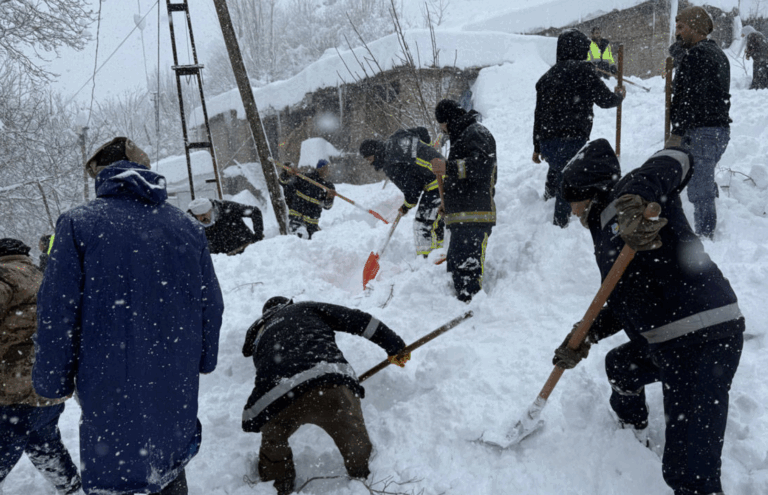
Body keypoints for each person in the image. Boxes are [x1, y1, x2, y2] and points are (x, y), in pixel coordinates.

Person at [32, 137, 225, 495]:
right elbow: (211, 305)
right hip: (174, 377)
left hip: (109, 378)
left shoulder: (77, 225)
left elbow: (56, 313)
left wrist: (52, 380)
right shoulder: (187, 227)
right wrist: (204, 358)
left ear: (101, 175)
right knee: (168, 462)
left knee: (118, 468)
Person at [554, 138, 744, 495]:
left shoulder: (632, 193)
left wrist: (637, 196)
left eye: (573, 200)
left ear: (588, 191)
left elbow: (679, 155)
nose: (573, 210)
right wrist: (586, 333)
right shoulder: (604, 232)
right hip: (667, 342)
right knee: (620, 367)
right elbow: (626, 300)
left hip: (701, 337)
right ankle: (633, 431)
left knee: (688, 473)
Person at [241, 297, 409, 495]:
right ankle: (365, 477)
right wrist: (395, 345)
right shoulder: (304, 308)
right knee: (353, 438)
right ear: (288, 304)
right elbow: (357, 320)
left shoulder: (260, 336)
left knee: (274, 441)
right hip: (326, 379)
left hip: (275, 397)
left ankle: (276, 484)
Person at [0, 238, 82, 495]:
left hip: (13, 390)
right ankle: (70, 487)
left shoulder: (4, 275)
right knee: (44, 444)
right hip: (48, 385)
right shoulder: (42, 275)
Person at [532, 29, 625, 227]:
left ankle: (547, 198)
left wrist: (537, 147)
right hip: (572, 138)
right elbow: (605, 100)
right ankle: (560, 224)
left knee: (557, 165)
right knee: (568, 179)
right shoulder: (584, 72)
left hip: (547, 141)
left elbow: (538, 115)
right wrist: (619, 96)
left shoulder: (546, 78)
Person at [667, 6, 731, 239]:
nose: (677, 32)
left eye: (681, 27)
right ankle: (710, 228)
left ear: (695, 28)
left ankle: (705, 238)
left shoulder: (697, 56)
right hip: (717, 130)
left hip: (702, 131)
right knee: (702, 179)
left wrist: (677, 132)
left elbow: (688, 98)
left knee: (700, 189)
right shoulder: (715, 53)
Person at [430, 99, 497, 302]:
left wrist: (448, 167)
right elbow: (460, 179)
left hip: (475, 215)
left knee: (468, 270)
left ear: (448, 120)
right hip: (462, 216)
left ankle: (473, 310)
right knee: (457, 268)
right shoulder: (462, 136)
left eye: (442, 124)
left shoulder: (476, 132)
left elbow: (482, 166)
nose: (442, 129)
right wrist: (448, 205)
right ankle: (463, 307)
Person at [359, 127, 445, 257]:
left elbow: (412, 191)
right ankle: (439, 254)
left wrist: (406, 206)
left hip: (438, 182)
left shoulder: (390, 164)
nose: (370, 163)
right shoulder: (396, 137)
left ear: (374, 154)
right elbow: (422, 131)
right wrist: (426, 150)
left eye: (369, 159)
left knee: (422, 225)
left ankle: (426, 259)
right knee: (434, 222)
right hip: (446, 169)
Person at [278, 159, 336, 239]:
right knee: (297, 241)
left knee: (316, 243)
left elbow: (327, 206)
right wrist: (287, 174)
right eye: (325, 168)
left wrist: (329, 198)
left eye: (328, 169)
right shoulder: (304, 178)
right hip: (297, 219)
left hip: (312, 224)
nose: (327, 171)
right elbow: (283, 182)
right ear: (319, 168)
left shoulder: (328, 187)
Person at [187, 197, 264, 254]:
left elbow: (254, 211)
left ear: (211, 209)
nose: (202, 218)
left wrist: (258, 234)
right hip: (220, 261)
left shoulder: (227, 208)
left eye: (204, 214)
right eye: (198, 216)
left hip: (246, 250)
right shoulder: (190, 221)